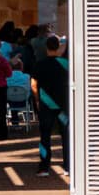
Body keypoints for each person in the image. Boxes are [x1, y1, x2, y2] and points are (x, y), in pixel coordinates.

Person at [31, 35, 70, 176]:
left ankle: (44, 167)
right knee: (66, 136)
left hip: (46, 104)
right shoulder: (66, 64)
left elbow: (34, 84)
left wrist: (36, 99)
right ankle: (68, 166)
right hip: (63, 104)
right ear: (58, 47)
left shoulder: (40, 64)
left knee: (45, 136)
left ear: (46, 47)